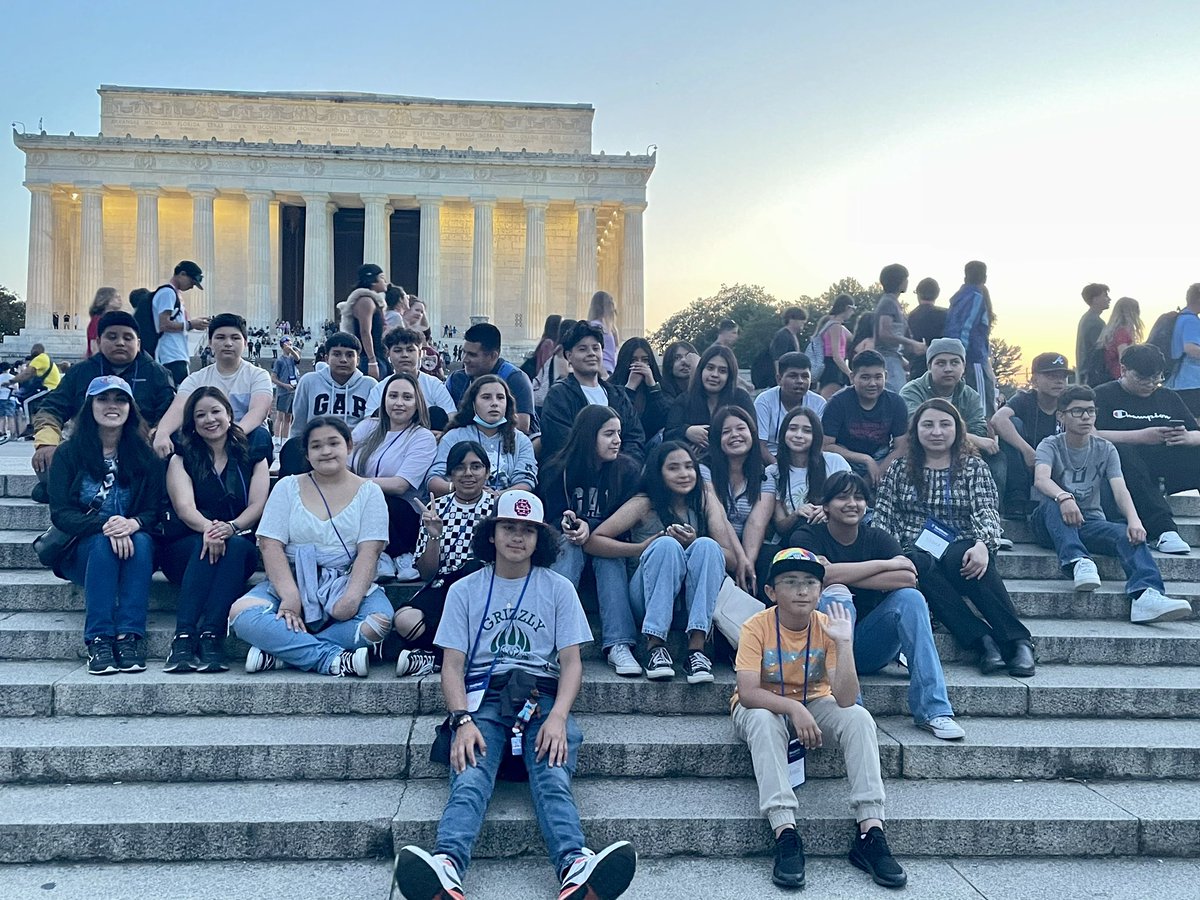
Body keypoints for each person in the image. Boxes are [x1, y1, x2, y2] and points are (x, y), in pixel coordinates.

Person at [392, 490, 638, 900]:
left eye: (528, 530)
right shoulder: (465, 589)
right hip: (481, 696)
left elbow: (572, 663)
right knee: (469, 775)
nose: (517, 537)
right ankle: (446, 868)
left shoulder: (558, 588)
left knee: (553, 771)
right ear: (492, 533)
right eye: (509, 527)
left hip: (541, 695)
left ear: (541, 539)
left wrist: (559, 716)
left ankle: (575, 867)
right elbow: (452, 665)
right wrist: (461, 720)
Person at [732, 548, 906, 891]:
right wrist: (794, 709)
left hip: (815, 701)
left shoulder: (828, 626)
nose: (802, 591)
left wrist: (844, 645)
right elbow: (749, 692)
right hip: (761, 707)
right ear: (771, 591)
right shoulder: (755, 627)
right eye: (791, 582)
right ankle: (785, 833)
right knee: (765, 721)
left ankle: (871, 832)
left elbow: (843, 698)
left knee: (858, 718)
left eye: (810, 583)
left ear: (820, 591)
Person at [793, 471, 965, 740]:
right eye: (842, 497)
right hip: (827, 652)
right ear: (825, 506)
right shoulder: (808, 536)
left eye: (859, 497)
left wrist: (838, 571)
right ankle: (854, 711)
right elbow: (817, 576)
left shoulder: (877, 538)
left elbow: (907, 577)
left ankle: (934, 710)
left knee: (911, 598)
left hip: (872, 644)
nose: (852, 503)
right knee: (836, 594)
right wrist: (885, 565)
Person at [875, 399, 1035, 676]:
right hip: (915, 551)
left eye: (944, 424)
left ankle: (1019, 641)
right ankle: (983, 642)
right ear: (916, 431)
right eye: (928, 425)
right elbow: (883, 517)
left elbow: (987, 511)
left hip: (963, 546)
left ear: (957, 430)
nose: (936, 431)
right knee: (915, 563)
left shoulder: (974, 467)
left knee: (965, 556)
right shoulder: (899, 469)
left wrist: (984, 545)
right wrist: (892, 556)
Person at [228, 416, 393, 677]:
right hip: (292, 578)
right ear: (306, 453)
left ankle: (282, 653)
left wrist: (350, 599)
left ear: (348, 445)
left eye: (333, 443)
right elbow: (270, 545)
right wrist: (290, 596)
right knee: (242, 614)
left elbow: (370, 551)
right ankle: (329, 658)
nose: (326, 451)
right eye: (316, 446)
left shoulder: (369, 491)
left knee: (378, 623)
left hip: (345, 579)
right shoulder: (287, 487)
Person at [1032, 386, 1192, 624]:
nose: (1086, 417)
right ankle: (1078, 561)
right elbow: (1041, 479)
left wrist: (1134, 521)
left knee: (1130, 536)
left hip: (1090, 523)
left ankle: (1146, 595)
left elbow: (1120, 489)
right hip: (1051, 522)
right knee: (1052, 503)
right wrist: (1064, 497)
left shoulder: (1106, 449)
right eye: (1077, 411)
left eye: (1090, 411)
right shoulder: (1051, 444)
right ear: (1061, 415)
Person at [588, 441, 737, 683]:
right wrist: (641, 547)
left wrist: (694, 541)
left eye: (689, 467)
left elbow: (729, 559)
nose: (684, 474)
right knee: (666, 545)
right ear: (659, 473)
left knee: (707, 546)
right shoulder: (644, 503)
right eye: (674, 468)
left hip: (692, 606)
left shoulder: (705, 500)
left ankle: (696, 650)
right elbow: (594, 541)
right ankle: (655, 647)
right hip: (647, 603)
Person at [47, 376, 163, 676]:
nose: (112, 406)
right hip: (83, 549)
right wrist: (108, 525)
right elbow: (61, 514)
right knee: (102, 543)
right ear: (90, 406)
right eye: (103, 399)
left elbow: (153, 510)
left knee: (143, 541)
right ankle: (99, 638)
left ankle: (129, 636)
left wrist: (132, 523)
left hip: (133, 544)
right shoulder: (68, 454)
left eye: (120, 399)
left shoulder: (144, 456)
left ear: (130, 408)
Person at [161, 387, 270, 674]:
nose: (209, 419)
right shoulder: (181, 457)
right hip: (187, 544)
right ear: (192, 423)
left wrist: (230, 529)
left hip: (238, 540)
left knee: (235, 548)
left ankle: (211, 635)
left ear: (230, 415)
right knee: (201, 545)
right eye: (200, 415)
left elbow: (258, 504)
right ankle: (183, 637)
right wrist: (211, 530)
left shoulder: (254, 453)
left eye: (215, 411)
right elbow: (185, 508)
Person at [539, 406, 643, 676]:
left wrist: (591, 527)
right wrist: (567, 524)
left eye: (619, 433)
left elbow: (624, 524)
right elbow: (547, 522)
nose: (617, 440)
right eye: (609, 434)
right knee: (571, 544)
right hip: (566, 555)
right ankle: (552, 641)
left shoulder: (627, 470)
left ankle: (619, 644)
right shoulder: (557, 469)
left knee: (607, 556)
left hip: (608, 554)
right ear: (588, 436)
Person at [32, 311, 175, 488]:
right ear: (99, 342)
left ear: (138, 343)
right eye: (112, 337)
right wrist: (46, 443)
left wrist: (156, 436)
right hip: (88, 447)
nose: (120, 343)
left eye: (128, 338)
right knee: (46, 467)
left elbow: (170, 413)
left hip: (139, 449)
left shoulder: (157, 373)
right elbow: (50, 409)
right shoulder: (80, 372)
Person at [392, 442, 497, 678]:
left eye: (476, 466)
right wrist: (434, 535)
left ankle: (435, 658)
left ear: (487, 472)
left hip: (483, 585)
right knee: (405, 621)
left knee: (472, 569)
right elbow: (428, 573)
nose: (468, 473)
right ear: (450, 474)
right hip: (443, 585)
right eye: (460, 468)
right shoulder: (435, 508)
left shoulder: (497, 507)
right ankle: (442, 658)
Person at [1094, 343, 1200, 554]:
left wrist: (1187, 437)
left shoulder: (1168, 397)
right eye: (1142, 379)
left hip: (1167, 459)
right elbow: (1088, 434)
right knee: (1122, 452)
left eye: (1156, 378)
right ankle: (1163, 530)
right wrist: (1140, 436)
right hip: (1124, 466)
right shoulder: (1102, 395)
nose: (1150, 384)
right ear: (1123, 370)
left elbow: (1196, 432)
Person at [152, 314, 274, 461]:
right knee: (174, 436)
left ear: (246, 343)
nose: (228, 343)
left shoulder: (258, 375)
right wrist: (162, 433)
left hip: (244, 439)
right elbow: (178, 408)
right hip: (207, 437)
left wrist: (229, 435)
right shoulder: (196, 379)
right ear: (210, 343)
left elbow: (258, 412)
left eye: (235, 338)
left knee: (260, 436)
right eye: (220, 337)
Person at [351, 372, 437, 577]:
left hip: (402, 515)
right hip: (358, 506)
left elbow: (400, 485)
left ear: (418, 403)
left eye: (407, 398)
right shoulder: (366, 427)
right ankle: (379, 556)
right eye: (393, 396)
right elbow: (342, 464)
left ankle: (398, 555)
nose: (399, 403)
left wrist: (354, 483)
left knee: (378, 500)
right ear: (384, 400)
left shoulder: (422, 437)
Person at [899, 337, 1006, 502]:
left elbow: (978, 428)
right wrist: (974, 438)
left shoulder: (970, 395)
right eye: (941, 363)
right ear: (930, 366)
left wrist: (969, 441)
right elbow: (914, 425)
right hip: (921, 449)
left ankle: (990, 509)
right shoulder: (912, 391)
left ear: (963, 367)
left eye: (955, 363)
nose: (948, 369)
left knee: (997, 459)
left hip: (961, 450)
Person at [539, 321, 647, 463]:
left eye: (596, 348)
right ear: (569, 356)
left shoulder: (618, 395)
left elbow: (635, 438)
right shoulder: (559, 395)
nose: (591, 354)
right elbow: (560, 442)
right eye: (583, 349)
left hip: (619, 474)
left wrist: (623, 466)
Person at [428, 375, 537, 497]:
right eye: (486, 397)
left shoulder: (521, 441)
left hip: (504, 508)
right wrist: (458, 488)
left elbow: (526, 482)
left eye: (500, 397)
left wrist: (496, 496)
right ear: (473, 403)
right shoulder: (453, 437)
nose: (494, 403)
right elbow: (433, 480)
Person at [991, 352, 1070, 518]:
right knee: (1012, 423)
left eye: (1063, 376)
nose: (1059, 381)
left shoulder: (1071, 401)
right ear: (1034, 380)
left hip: (1061, 466)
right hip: (1027, 465)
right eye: (1051, 376)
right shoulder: (1025, 399)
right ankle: (1016, 498)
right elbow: (998, 419)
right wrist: (1027, 451)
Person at [702, 406, 773, 590]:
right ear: (717, 440)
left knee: (769, 557)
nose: (735, 435)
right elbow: (718, 517)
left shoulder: (765, 475)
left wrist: (748, 563)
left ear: (752, 433)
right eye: (726, 432)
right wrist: (740, 560)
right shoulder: (703, 470)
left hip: (750, 548)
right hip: (716, 545)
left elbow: (756, 523)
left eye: (741, 429)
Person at [821, 350, 909, 486]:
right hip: (846, 458)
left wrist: (878, 471)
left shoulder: (896, 402)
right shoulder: (838, 402)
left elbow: (901, 447)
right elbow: (826, 446)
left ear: (885, 376)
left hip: (881, 458)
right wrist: (865, 459)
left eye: (878, 377)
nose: (872, 383)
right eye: (865, 377)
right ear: (852, 377)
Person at [767, 406, 851, 548]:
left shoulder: (834, 461)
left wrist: (828, 512)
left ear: (816, 436)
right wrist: (796, 513)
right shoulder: (773, 472)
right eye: (793, 429)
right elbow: (780, 526)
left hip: (834, 533)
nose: (798, 435)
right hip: (795, 538)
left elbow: (852, 501)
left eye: (807, 431)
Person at [664, 344, 756, 458]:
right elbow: (668, 436)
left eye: (722, 371)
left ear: (730, 375)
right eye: (710, 368)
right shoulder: (684, 400)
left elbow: (752, 433)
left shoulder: (741, 398)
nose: (714, 375)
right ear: (701, 370)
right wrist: (686, 431)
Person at [447, 323, 536, 434]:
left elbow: (522, 425)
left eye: (472, 355)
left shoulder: (515, 378)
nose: (464, 359)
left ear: (493, 356)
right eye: (463, 352)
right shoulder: (456, 380)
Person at [288, 331, 378, 437]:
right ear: (327, 359)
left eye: (349, 355)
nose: (343, 360)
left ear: (357, 360)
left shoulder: (370, 385)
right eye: (337, 354)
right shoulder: (308, 382)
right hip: (317, 447)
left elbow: (374, 429)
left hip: (357, 449)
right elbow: (298, 425)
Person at [366, 327, 457, 431]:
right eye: (398, 350)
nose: (405, 355)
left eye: (410, 350)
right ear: (388, 355)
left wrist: (443, 433)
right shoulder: (380, 388)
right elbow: (369, 422)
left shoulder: (434, 385)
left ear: (420, 353)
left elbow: (451, 415)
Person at [944, 261, 997, 414]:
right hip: (974, 359)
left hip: (966, 358)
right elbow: (964, 328)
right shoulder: (975, 297)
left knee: (967, 404)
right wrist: (960, 357)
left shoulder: (961, 297)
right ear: (985, 277)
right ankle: (982, 436)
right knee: (982, 407)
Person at [755, 351, 826, 463]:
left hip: (805, 460)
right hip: (770, 460)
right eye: (793, 376)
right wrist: (780, 469)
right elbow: (760, 445)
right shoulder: (764, 401)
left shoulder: (819, 403)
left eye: (805, 376)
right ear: (779, 379)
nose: (800, 381)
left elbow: (818, 444)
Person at [152, 261, 210, 387]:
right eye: (192, 282)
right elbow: (164, 324)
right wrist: (190, 324)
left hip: (176, 354)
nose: (192, 287)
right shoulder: (167, 293)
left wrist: (193, 323)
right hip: (170, 355)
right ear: (182, 274)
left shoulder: (174, 294)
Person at [610, 337, 670, 449]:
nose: (640, 365)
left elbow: (666, 419)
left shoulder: (662, 386)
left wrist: (653, 387)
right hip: (622, 446)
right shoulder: (611, 387)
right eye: (634, 360)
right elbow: (617, 418)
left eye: (645, 360)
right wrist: (629, 388)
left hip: (653, 446)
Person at [872, 264, 922, 389]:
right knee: (898, 396)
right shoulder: (888, 303)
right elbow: (884, 333)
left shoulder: (892, 303)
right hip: (888, 359)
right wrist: (912, 343)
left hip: (894, 358)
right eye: (906, 278)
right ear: (900, 281)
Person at [337, 263, 389, 379]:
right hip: (368, 357)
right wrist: (372, 360)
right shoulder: (366, 301)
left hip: (377, 354)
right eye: (382, 278)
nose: (385, 282)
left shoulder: (371, 301)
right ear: (373, 280)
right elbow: (365, 332)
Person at [1166, 283, 1200, 416]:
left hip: (1176, 381)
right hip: (1192, 382)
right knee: (1195, 423)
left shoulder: (1180, 318)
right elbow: (1190, 348)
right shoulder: (1191, 321)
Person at [814, 295, 856, 400]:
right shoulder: (835, 327)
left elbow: (852, 337)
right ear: (847, 308)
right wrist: (850, 373)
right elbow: (836, 355)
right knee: (830, 401)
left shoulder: (834, 325)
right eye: (853, 309)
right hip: (833, 368)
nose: (853, 313)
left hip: (829, 366)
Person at [905, 277, 945, 381]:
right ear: (937, 294)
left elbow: (907, 344)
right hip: (941, 366)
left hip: (917, 367)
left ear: (918, 294)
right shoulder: (945, 315)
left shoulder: (912, 316)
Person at [1098, 296, 1144, 383]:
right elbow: (1124, 359)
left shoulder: (1113, 331)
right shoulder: (1122, 333)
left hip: (1114, 377)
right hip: (1119, 378)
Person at [1076, 283, 1111, 386]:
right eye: (1105, 296)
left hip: (1087, 373)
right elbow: (1100, 349)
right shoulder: (1095, 322)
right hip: (1094, 375)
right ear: (1095, 299)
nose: (1109, 299)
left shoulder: (1087, 318)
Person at [270, 336, 301, 443]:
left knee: (289, 417)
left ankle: (285, 439)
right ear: (283, 345)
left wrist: (292, 350)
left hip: (293, 390)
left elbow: (298, 358)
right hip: (283, 391)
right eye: (288, 343)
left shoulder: (292, 359)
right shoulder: (279, 361)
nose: (290, 345)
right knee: (280, 416)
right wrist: (284, 385)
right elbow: (273, 378)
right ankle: (277, 439)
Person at [586, 290, 620, 375]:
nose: (613, 309)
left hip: (609, 370)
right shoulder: (596, 327)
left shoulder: (607, 328)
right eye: (610, 304)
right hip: (603, 371)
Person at [85, 287, 122, 358]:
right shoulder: (97, 320)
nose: (120, 300)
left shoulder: (115, 318)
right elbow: (94, 346)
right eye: (116, 297)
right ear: (106, 300)